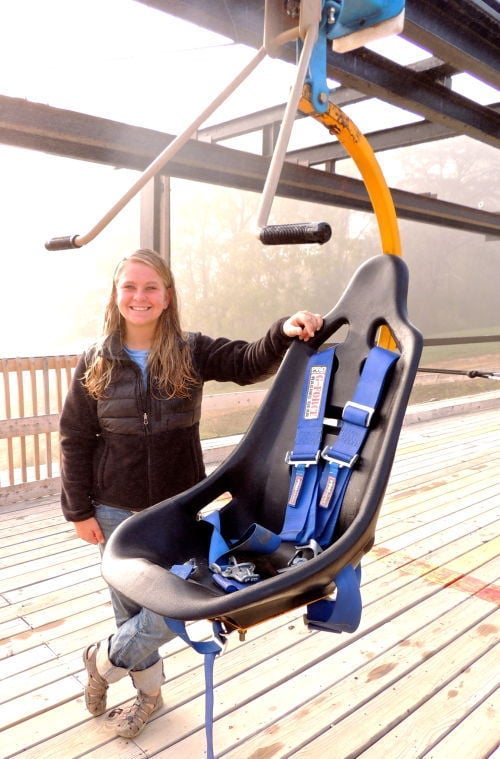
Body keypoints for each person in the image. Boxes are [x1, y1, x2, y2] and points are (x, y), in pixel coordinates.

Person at [59, 248, 323, 738]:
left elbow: (247, 362)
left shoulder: (191, 349)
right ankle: (149, 697)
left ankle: (102, 661)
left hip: (175, 510)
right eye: (129, 287)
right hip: (113, 510)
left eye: (150, 287)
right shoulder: (94, 361)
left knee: (172, 605)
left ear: (167, 296)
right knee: (130, 610)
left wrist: (282, 330)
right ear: (117, 296)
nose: (139, 297)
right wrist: (78, 509)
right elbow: (76, 438)